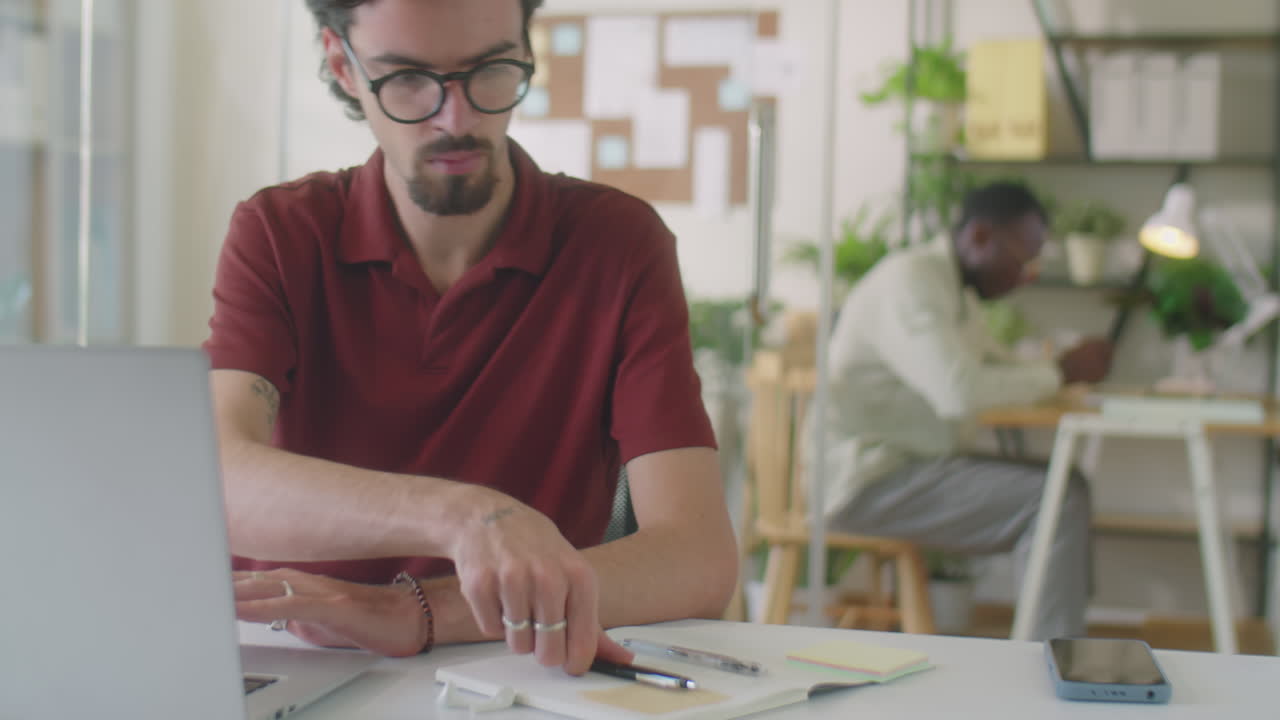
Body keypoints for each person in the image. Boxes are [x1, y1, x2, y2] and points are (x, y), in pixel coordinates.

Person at [203, 0, 737, 676]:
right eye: (408, 79)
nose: (456, 120)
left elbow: (697, 556)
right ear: (343, 65)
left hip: (501, 671)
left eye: (489, 71)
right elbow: (216, 477)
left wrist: (415, 612)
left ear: (526, 49)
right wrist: (463, 516)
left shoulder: (617, 246)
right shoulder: (281, 234)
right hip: (290, 658)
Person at [807, 182, 1112, 640]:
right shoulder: (911, 283)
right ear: (981, 237)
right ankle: (1054, 655)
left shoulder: (954, 290)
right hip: (866, 481)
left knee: (1069, 485)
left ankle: (1060, 643)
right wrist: (1060, 373)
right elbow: (959, 392)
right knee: (1057, 498)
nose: (1026, 277)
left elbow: (994, 366)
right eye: (1023, 260)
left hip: (907, 464)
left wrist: (1059, 369)